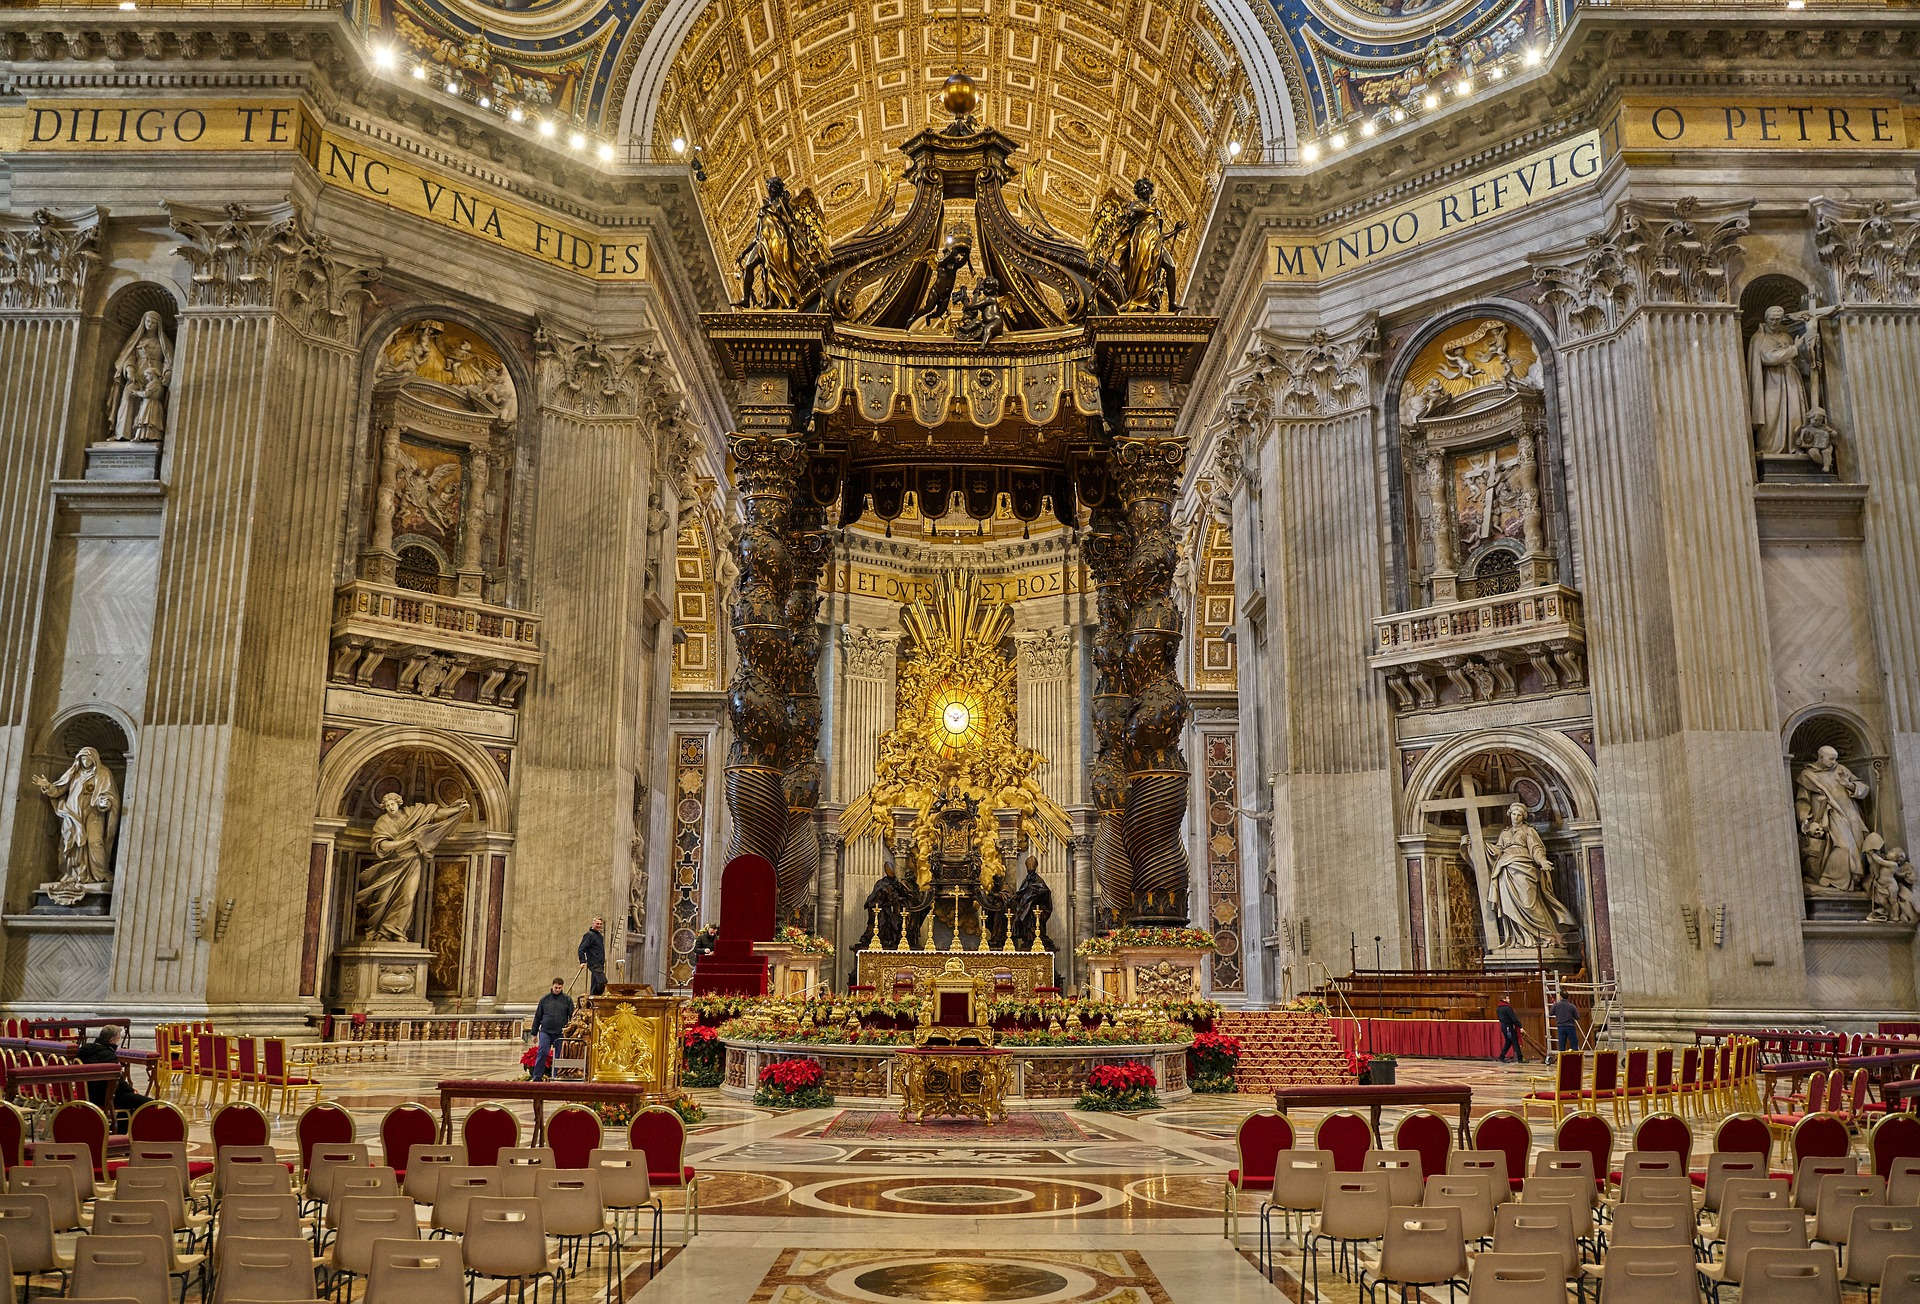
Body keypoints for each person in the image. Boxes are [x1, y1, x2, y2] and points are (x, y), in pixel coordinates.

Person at [74, 1025, 151, 1121]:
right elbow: (117, 1082)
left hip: (87, 1093)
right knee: (149, 1103)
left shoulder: (83, 1050)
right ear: (111, 1040)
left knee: (131, 1100)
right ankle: (125, 1131)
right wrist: (130, 1090)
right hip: (105, 1096)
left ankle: (120, 1129)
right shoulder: (108, 1056)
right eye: (118, 1038)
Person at [530, 977, 573, 1081]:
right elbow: (538, 1016)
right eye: (556, 987)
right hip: (546, 1031)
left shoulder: (567, 1000)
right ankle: (537, 1077)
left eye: (559, 988)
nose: (557, 989)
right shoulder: (544, 1000)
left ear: (562, 987)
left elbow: (572, 1016)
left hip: (560, 1032)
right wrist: (534, 1033)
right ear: (552, 986)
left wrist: (570, 1032)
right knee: (543, 1052)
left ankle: (555, 1076)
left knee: (558, 1055)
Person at [577, 917, 607, 996]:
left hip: (600, 964)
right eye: (597, 923)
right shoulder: (589, 935)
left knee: (595, 984)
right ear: (593, 924)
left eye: (600, 924)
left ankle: (591, 1002)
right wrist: (582, 961)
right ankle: (596, 998)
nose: (599, 925)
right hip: (594, 963)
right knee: (602, 982)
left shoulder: (600, 936)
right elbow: (581, 949)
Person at [1496, 997, 1524, 1063]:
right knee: (1515, 1042)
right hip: (1509, 1027)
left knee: (1508, 1042)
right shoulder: (1507, 1008)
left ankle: (1501, 1057)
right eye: (1508, 998)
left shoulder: (1498, 1008)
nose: (1509, 1000)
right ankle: (1520, 1059)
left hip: (1503, 1027)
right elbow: (1514, 1019)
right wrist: (1520, 1027)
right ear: (1504, 999)